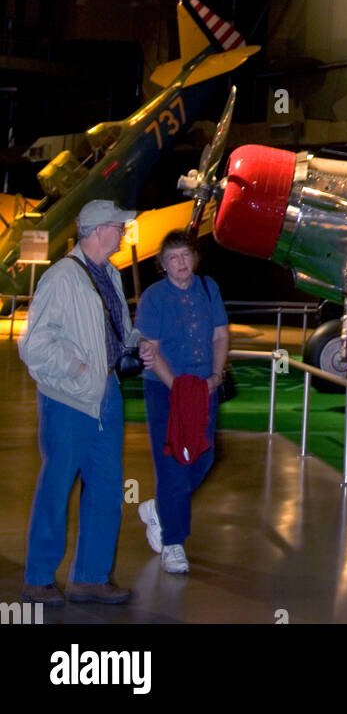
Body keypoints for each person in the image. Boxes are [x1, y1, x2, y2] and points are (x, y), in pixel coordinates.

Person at [18, 199, 138, 606]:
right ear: (98, 230)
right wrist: (80, 369)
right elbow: (33, 344)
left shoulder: (111, 275)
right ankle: (38, 579)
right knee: (57, 487)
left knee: (106, 489)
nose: (123, 232)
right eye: (118, 226)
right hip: (69, 399)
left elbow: (117, 329)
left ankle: (90, 577)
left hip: (107, 395)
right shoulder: (60, 278)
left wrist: (138, 346)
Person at [135, 230, 229, 574]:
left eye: (185, 256)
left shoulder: (208, 288)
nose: (181, 264)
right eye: (173, 258)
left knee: (203, 457)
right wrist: (179, 390)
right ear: (162, 265)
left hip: (205, 386)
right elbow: (151, 349)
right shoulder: (154, 298)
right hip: (167, 390)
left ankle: (160, 510)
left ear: (194, 258)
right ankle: (173, 543)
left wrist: (216, 377)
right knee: (175, 462)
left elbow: (220, 334)